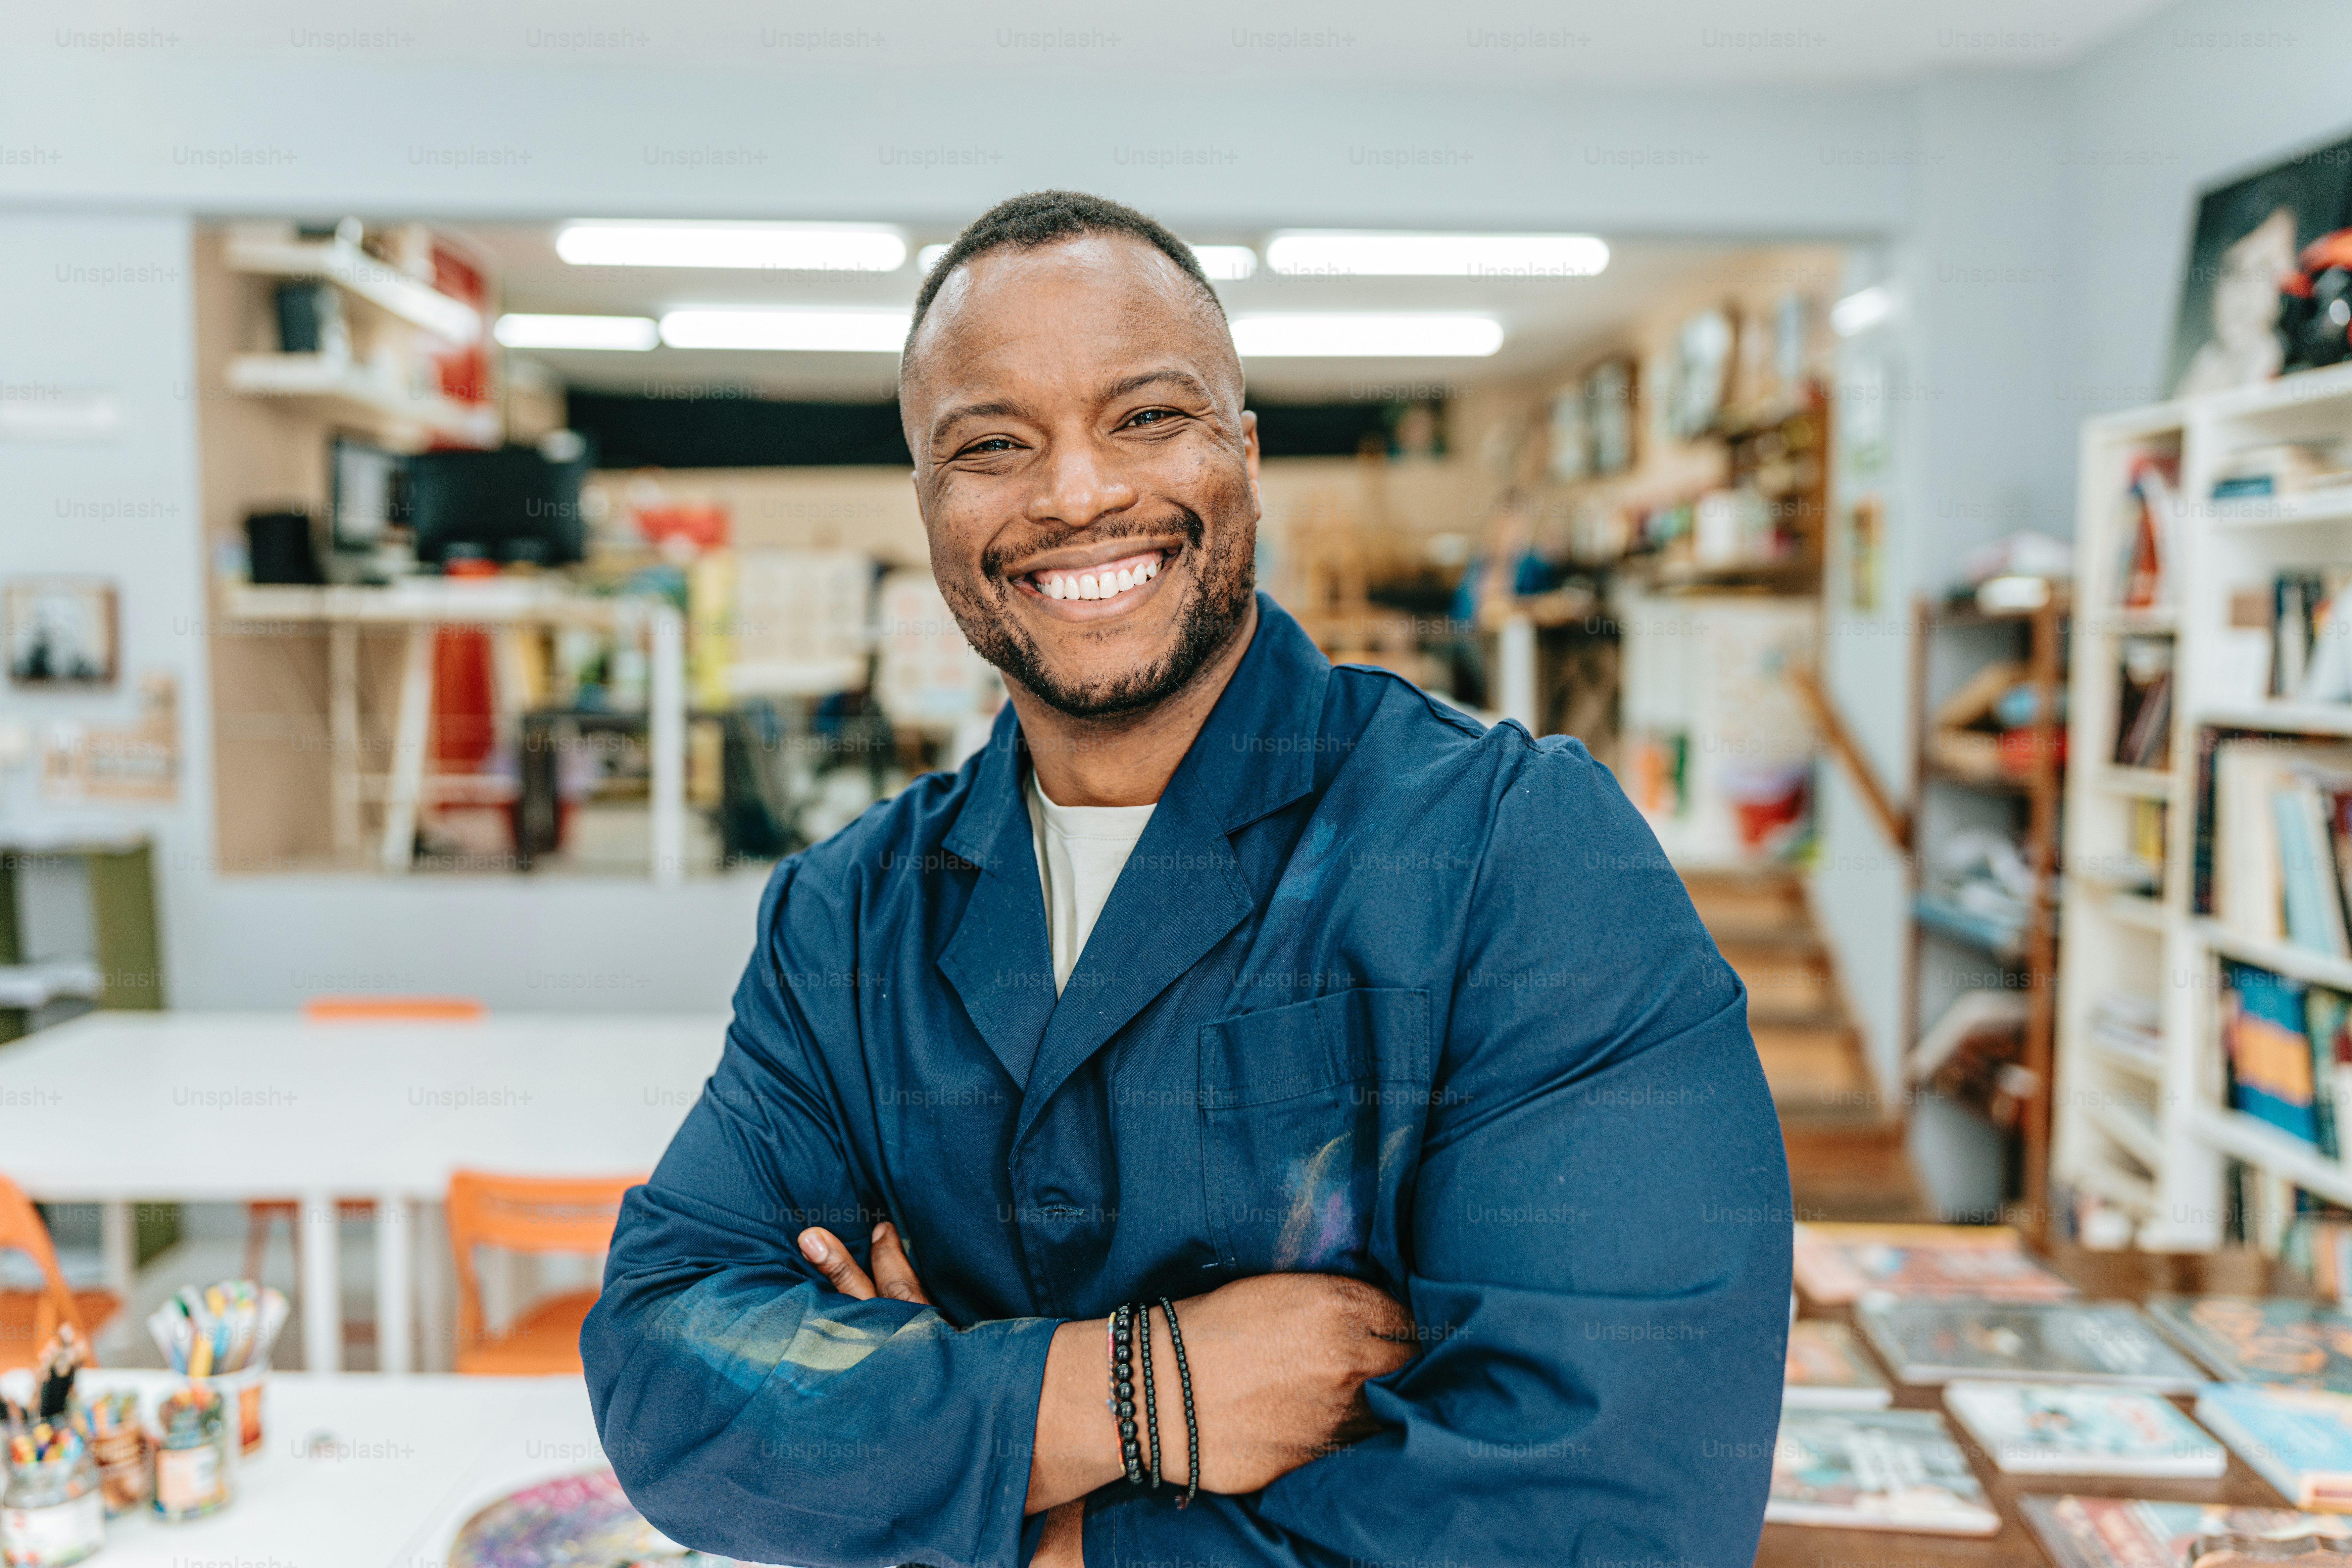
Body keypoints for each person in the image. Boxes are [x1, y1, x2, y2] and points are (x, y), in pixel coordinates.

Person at [584, 190, 1792, 1568]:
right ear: (929, 507)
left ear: (1246, 454)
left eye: (1147, 417)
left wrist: (996, 1504)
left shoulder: (1518, 854)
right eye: (992, 443)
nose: (1080, 492)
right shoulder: (845, 921)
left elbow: (1613, 1507)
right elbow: (671, 1372)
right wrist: (1138, 1389)